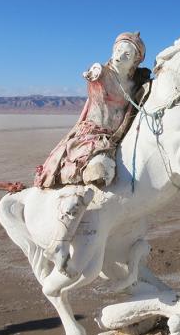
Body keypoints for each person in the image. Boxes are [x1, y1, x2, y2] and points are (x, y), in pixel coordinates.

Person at [34, 32, 151, 274]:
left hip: (118, 138)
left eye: (127, 54)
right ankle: (60, 239)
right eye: (118, 49)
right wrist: (93, 74)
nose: (120, 55)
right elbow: (92, 76)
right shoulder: (103, 74)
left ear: (136, 61)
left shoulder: (136, 85)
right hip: (92, 137)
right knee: (98, 172)